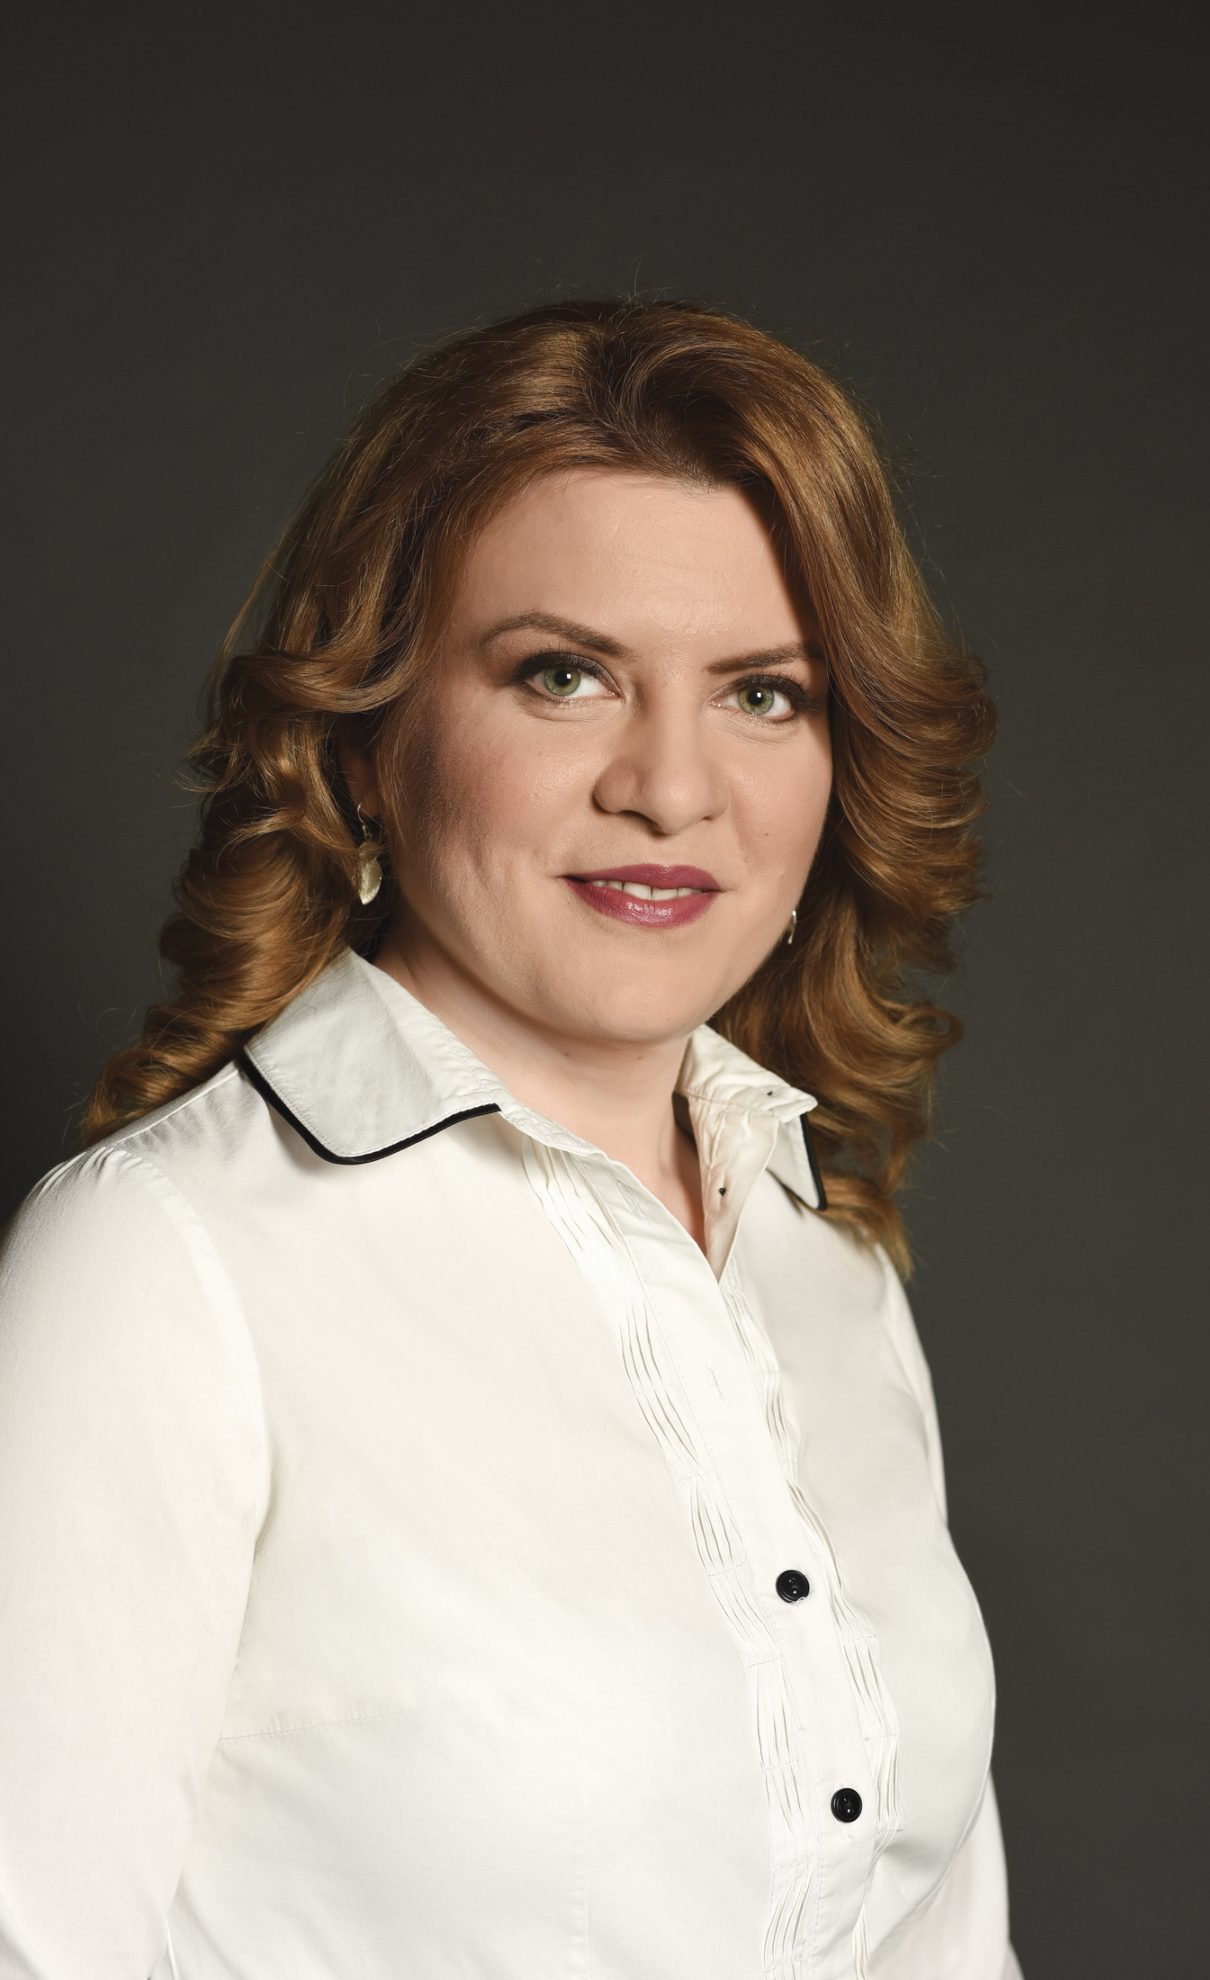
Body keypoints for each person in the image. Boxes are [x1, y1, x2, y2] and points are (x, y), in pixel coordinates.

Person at [0, 295, 1021, 1978]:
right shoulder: (163, 1268)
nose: (671, 788)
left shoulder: (820, 1261)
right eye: (565, 676)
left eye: (762, 694)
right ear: (368, 740)